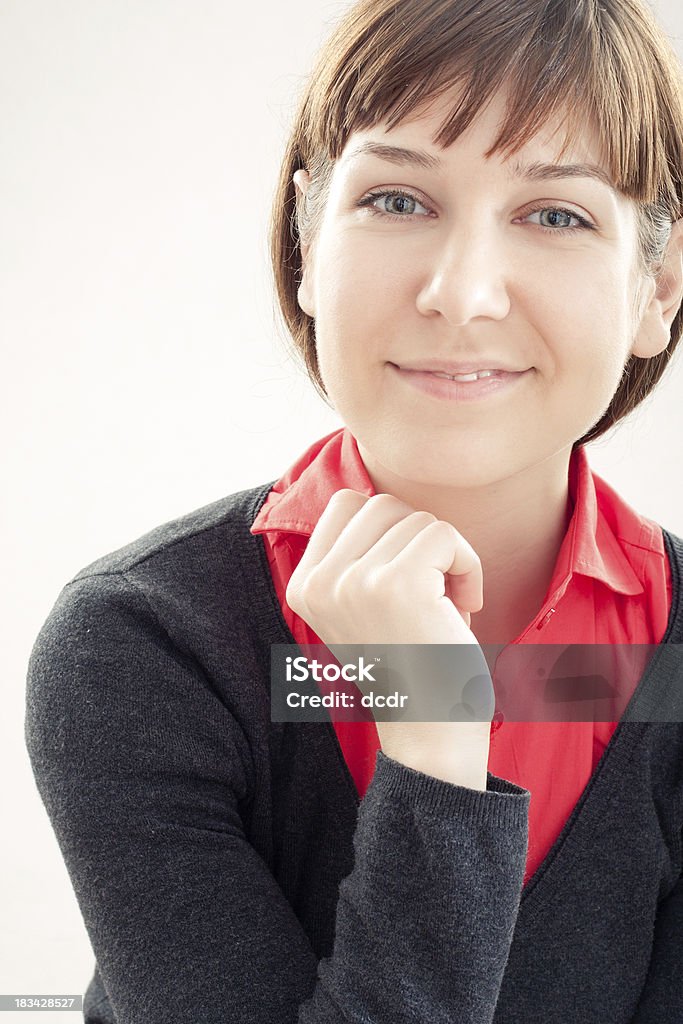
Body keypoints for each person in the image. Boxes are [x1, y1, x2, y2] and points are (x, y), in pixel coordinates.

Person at [24, 0, 683, 1021]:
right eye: (396, 200)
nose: (460, 293)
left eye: (554, 214)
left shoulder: (671, 649)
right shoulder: (144, 644)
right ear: (305, 242)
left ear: (659, 287)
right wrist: (433, 726)